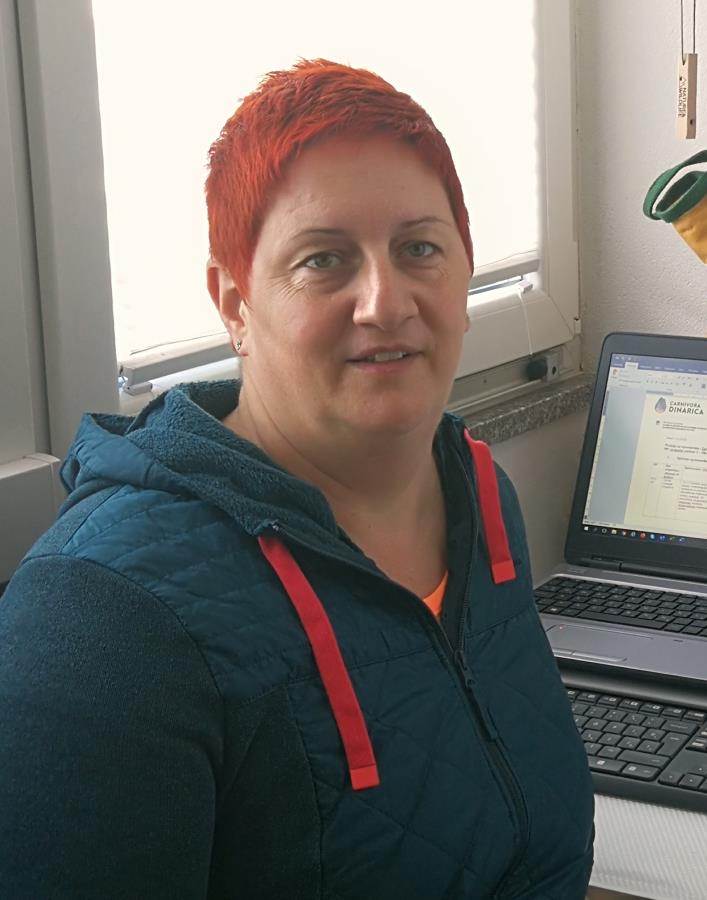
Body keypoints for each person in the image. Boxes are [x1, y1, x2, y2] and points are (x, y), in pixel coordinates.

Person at [0, 59, 594, 898]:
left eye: (419, 248)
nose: (386, 302)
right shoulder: (102, 618)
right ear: (234, 303)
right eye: (323, 260)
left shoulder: (478, 495)